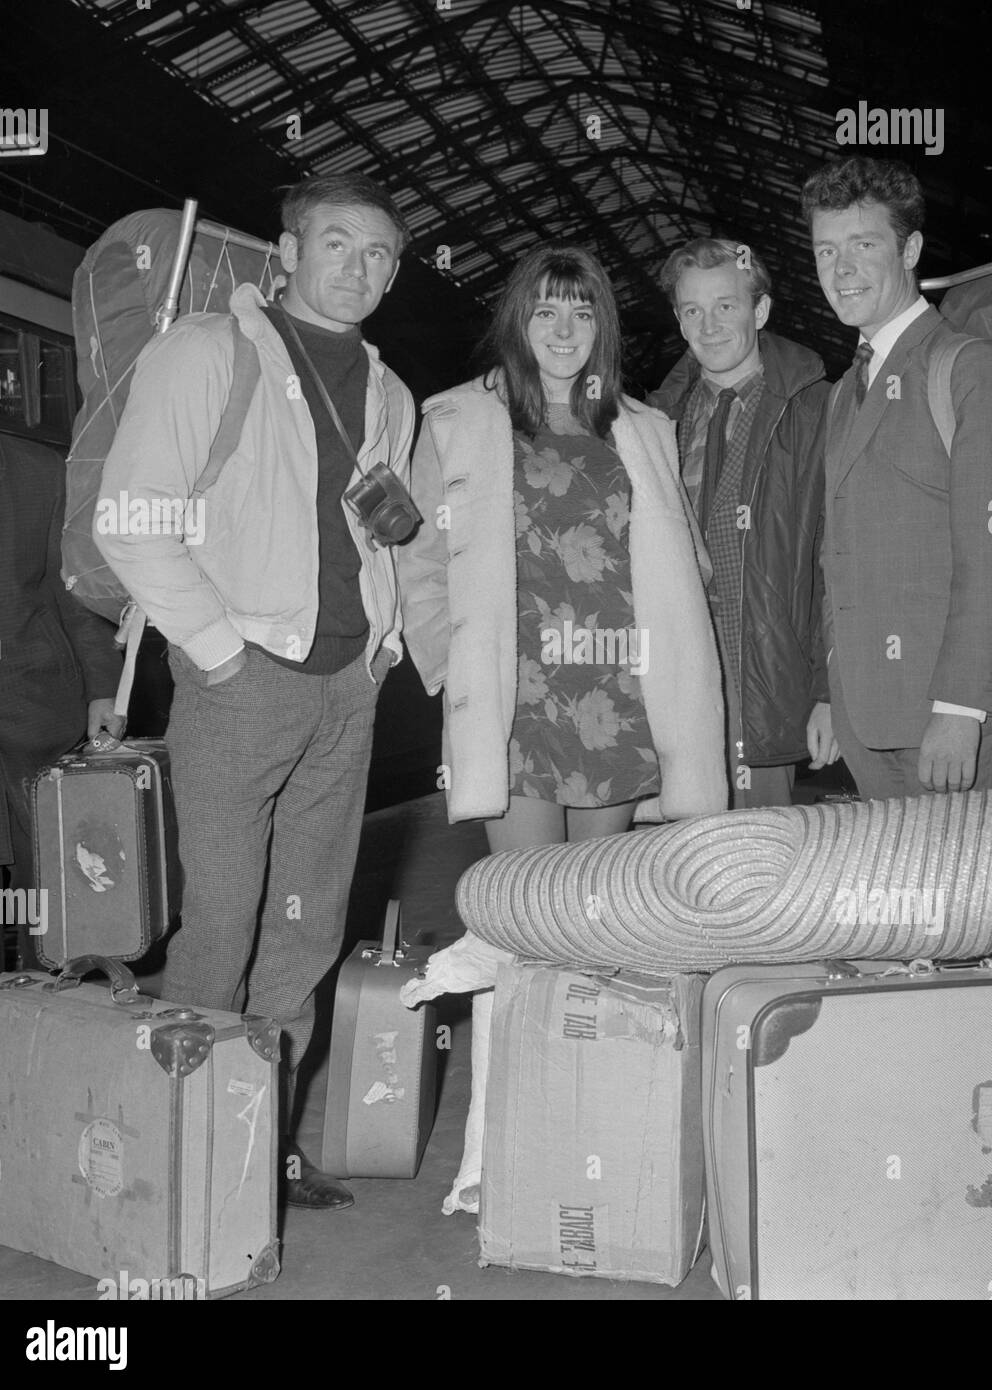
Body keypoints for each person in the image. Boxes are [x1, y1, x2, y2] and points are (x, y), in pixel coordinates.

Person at [95, 171, 416, 1211]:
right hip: (245, 684)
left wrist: (388, 639)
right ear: (287, 251)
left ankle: (260, 1141)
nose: (359, 268)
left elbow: (379, 531)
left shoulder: (387, 388)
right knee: (222, 922)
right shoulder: (206, 351)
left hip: (346, 688)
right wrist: (221, 654)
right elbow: (129, 518)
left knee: (307, 926)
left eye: (380, 254)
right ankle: (177, 1150)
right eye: (337, 244)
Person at [399, 242, 725, 1212]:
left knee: (599, 935)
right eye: (546, 310)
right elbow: (419, 555)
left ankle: (593, 1141)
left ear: (604, 329)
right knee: (515, 932)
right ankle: (493, 1162)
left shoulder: (646, 430)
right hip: (520, 703)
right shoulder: (461, 420)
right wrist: (451, 669)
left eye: (582, 312)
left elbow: (689, 568)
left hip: (614, 700)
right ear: (517, 320)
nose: (564, 328)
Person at [802, 156, 992, 799]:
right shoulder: (843, 391)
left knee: (966, 898)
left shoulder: (970, 368)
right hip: (866, 717)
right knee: (898, 900)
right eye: (826, 250)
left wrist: (961, 709)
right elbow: (838, 555)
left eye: (863, 244)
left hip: (951, 719)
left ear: (910, 249)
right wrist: (831, 694)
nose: (841, 268)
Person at [649, 238, 837, 807]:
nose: (709, 326)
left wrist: (831, 691)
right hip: (678, 683)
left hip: (765, 679)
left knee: (758, 867)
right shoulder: (656, 421)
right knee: (679, 868)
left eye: (726, 306)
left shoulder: (815, 410)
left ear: (760, 311)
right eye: (692, 311)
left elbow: (837, 559)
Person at [0, 415, 124, 975]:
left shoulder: (40, 472)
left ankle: (56, 1036)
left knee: (54, 906)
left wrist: (102, 688)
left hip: (34, 715)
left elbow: (75, 595)